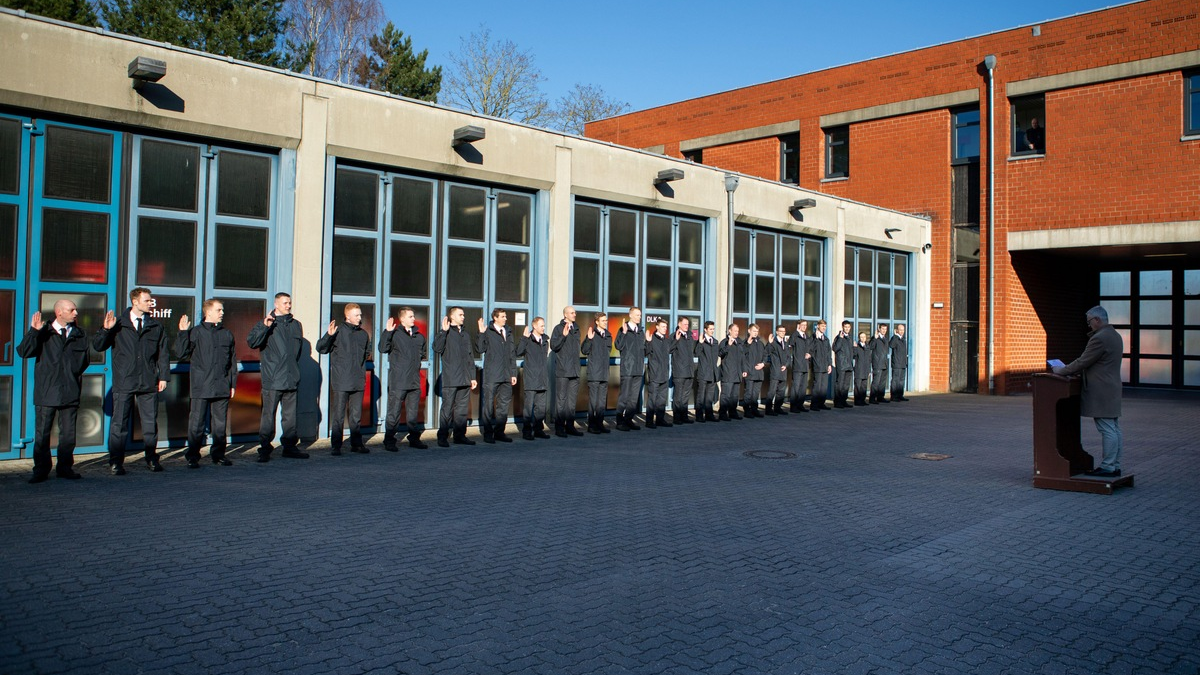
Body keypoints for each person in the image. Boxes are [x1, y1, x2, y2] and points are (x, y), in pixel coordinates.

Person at [94, 288, 169, 475]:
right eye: (147, 300)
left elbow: (163, 354)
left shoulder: (155, 326)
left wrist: (164, 377)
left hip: (148, 380)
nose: (150, 303)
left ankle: (152, 459)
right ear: (135, 301)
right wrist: (105, 330)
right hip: (125, 380)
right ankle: (116, 462)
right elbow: (98, 346)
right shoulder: (118, 323)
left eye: (151, 301)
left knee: (150, 423)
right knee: (119, 423)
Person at [17, 299, 89, 483]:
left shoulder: (79, 334)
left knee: (68, 434)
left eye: (75, 309)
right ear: (59, 312)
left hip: (70, 390)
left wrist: (72, 374)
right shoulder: (44, 332)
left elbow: (84, 361)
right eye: (71, 310)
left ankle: (65, 468)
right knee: (43, 433)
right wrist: (34, 332)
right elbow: (24, 352)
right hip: (47, 391)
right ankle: (41, 470)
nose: (76, 313)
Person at [1052, 306, 1124, 477]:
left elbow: (1083, 361)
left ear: (1098, 320)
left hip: (1101, 390)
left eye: (1089, 321)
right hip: (1111, 387)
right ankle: (1115, 464)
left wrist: (1061, 370)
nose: (1089, 325)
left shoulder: (1100, 338)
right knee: (1113, 428)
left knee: (1107, 428)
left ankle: (1108, 467)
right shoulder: (1115, 335)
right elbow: (1098, 363)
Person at [175, 299, 236, 469]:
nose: (222, 313)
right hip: (201, 386)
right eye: (219, 310)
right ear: (208, 312)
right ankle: (193, 455)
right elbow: (181, 353)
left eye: (222, 310)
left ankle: (218, 455)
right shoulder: (196, 332)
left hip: (221, 385)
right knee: (197, 424)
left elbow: (232, 361)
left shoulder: (227, 334)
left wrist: (232, 384)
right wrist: (182, 333)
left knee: (220, 424)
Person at [247, 292, 308, 462]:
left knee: (290, 416)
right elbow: (252, 342)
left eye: (289, 302)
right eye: (285, 303)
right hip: (273, 379)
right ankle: (265, 448)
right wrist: (264, 327)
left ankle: (289, 447)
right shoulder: (267, 323)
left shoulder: (296, 325)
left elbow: (297, 352)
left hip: (291, 377)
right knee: (268, 416)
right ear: (276, 304)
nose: (288, 305)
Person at [316, 303, 372, 455]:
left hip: (358, 380)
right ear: (348, 316)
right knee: (339, 415)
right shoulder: (338, 332)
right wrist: (329, 335)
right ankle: (336, 445)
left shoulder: (363, 334)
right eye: (357, 315)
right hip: (342, 380)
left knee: (355, 416)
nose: (360, 318)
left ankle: (356, 444)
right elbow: (321, 348)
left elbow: (367, 352)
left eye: (360, 315)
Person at [379, 307, 427, 450]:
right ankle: (389, 440)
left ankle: (414, 439)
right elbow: (382, 348)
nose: (414, 318)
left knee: (413, 413)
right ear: (402, 319)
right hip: (399, 381)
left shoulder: (419, 336)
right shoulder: (394, 334)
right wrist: (387, 332)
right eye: (410, 316)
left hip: (414, 380)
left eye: (413, 316)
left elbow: (422, 353)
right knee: (394, 412)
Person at [433, 306, 477, 447]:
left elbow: (470, 357)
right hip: (451, 378)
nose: (463, 317)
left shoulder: (465, 334)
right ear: (452, 317)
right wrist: (443, 332)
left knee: (462, 410)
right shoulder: (446, 333)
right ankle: (442, 437)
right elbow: (437, 348)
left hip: (465, 379)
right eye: (460, 314)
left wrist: (473, 377)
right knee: (447, 409)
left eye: (463, 314)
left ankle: (459, 435)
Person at [475, 310, 517, 444]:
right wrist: (481, 333)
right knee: (488, 405)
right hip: (492, 375)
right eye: (503, 316)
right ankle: (488, 433)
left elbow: (512, 355)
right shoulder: (488, 332)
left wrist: (513, 373)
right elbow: (480, 349)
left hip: (506, 375)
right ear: (495, 318)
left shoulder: (508, 332)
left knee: (503, 406)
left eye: (506, 316)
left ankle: (499, 432)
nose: (506, 318)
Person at [549, 306, 583, 437]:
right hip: (563, 370)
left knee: (571, 401)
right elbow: (554, 346)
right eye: (572, 313)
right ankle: (559, 428)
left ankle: (570, 426)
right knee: (561, 401)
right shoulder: (558, 328)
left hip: (575, 370)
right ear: (565, 315)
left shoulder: (577, 328)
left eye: (575, 312)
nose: (575, 314)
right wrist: (563, 336)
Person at [516, 317, 551, 440]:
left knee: (540, 408)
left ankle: (538, 430)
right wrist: (524, 339)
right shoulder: (528, 340)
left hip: (542, 379)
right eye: (541, 325)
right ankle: (526, 431)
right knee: (528, 407)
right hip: (531, 379)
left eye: (544, 325)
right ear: (534, 326)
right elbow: (518, 352)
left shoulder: (545, 340)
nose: (543, 328)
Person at [614, 307, 646, 431]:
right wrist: (624, 333)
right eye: (637, 315)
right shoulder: (623, 329)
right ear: (631, 315)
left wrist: (648, 343)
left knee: (633, 398)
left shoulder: (640, 331)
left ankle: (628, 420)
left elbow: (644, 350)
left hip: (638, 369)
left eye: (640, 315)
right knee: (624, 397)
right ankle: (619, 421)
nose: (639, 317)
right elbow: (618, 346)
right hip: (627, 368)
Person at [580, 313, 613, 434]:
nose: (605, 322)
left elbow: (608, 351)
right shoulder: (592, 334)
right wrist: (588, 339)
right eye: (603, 320)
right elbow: (584, 350)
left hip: (604, 373)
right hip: (594, 373)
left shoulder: (608, 335)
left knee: (601, 401)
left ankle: (600, 423)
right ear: (597, 322)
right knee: (593, 401)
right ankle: (592, 425)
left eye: (606, 320)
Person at [644, 318, 672, 428]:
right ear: (657, 327)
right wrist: (648, 342)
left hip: (664, 373)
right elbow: (646, 352)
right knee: (652, 399)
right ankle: (649, 421)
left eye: (666, 327)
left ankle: (660, 419)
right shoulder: (652, 339)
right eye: (663, 327)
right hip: (655, 374)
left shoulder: (666, 340)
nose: (665, 329)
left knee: (662, 399)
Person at [669, 317, 696, 424]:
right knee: (678, 396)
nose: (686, 326)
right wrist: (676, 339)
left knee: (685, 396)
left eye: (687, 324)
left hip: (689, 371)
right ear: (679, 324)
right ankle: (677, 417)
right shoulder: (674, 336)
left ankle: (684, 416)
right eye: (684, 324)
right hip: (679, 371)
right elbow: (669, 350)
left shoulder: (690, 336)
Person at [717, 324, 746, 421]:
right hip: (728, 373)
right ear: (729, 331)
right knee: (726, 395)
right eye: (735, 331)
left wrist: (744, 369)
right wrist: (728, 345)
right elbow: (720, 354)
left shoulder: (739, 343)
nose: (737, 333)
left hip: (737, 374)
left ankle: (733, 412)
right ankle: (723, 414)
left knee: (734, 396)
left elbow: (742, 358)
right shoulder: (724, 342)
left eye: (738, 331)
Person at [694, 321, 719, 423]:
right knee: (701, 396)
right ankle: (699, 416)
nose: (712, 331)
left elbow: (718, 355)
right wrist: (700, 343)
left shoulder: (715, 342)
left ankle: (709, 415)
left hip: (713, 374)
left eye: (713, 329)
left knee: (709, 397)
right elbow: (696, 353)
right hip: (703, 373)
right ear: (705, 329)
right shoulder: (701, 341)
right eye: (710, 329)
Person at [741, 325, 767, 418]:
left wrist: (763, 363)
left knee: (755, 394)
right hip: (750, 372)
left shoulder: (760, 343)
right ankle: (747, 411)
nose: (755, 333)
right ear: (749, 331)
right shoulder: (745, 343)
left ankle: (754, 409)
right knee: (748, 393)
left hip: (759, 373)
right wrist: (748, 343)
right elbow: (742, 356)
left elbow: (765, 355)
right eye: (754, 331)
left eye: (757, 331)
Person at [764, 325, 790, 416]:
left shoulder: (785, 343)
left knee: (781, 392)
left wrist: (786, 365)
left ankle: (778, 408)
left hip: (783, 371)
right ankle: (768, 409)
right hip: (775, 370)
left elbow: (788, 357)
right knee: (772, 391)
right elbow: (766, 352)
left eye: (784, 331)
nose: (783, 333)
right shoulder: (773, 342)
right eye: (781, 331)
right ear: (777, 332)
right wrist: (769, 343)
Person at [789, 320, 813, 413]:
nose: (804, 327)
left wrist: (809, 354)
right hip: (797, 365)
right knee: (796, 387)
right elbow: (790, 343)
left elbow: (811, 348)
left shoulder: (806, 337)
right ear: (798, 326)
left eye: (806, 325)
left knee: (803, 387)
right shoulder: (795, 335)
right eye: (802, 325)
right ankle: (793, 406)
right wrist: (796, 332)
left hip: (805, 365)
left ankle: (800, 405)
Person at [809, 320, 833, 410]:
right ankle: (814, 404)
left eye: (825, 326)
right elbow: (810, 349)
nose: (824, 328)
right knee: (817, 386)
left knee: (824, 386)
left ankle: (821, 403)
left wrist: (829, 364)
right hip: (817, 365)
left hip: (825, 365)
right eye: (822, 326)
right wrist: (816, 338)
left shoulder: (826, 339)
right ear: (818, 326)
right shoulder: (813, 337)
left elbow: (828, 353)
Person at [832, 320, 855, 409]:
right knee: (840, 384)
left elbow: (852, 351)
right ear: (842, 327)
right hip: (841, 364)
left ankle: (843, 400)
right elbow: (835, 348)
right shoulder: (838, 337)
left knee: (846, 385)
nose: (847, 329)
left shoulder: (850, 337)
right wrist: (840, 338)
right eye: (845, 327)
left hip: (849, 364)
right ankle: (837, 402)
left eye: (848, 327)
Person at [870, 324, 890, 404]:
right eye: (883, 329)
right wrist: (874, 338)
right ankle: (872, 398)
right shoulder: (875, 338)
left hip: (884, 363)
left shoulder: (885, 339)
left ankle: (880, 397)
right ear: (879, 329)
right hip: (877, 363)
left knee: (882, 382)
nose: (884, 330)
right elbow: (871, 346)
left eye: (885, 329)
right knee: (876, 382)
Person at [889, 323, 909, 402]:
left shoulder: (903, 339)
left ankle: (900, 395)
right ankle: (894, 396)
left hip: (903, 363)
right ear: (897, 330)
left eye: (903, 330)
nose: (902, 331)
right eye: (900, 330)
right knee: (895, 380)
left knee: (901, 380)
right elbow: (891, 345)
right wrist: (895, 336)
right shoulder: (895, 338)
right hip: (896, 363)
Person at [853, 331, 872, 407]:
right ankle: (857, 401)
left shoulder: (867, 347)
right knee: (858, 386)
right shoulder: (857, 346)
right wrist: (854, 348)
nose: (863, 338)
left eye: (864, 337)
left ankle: (862, 400)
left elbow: (869, 359)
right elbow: (853, 355)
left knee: (864, 386)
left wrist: (869, 370)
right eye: (861, 337)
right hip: (859, 369)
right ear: (859, 338)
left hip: (865, 369)